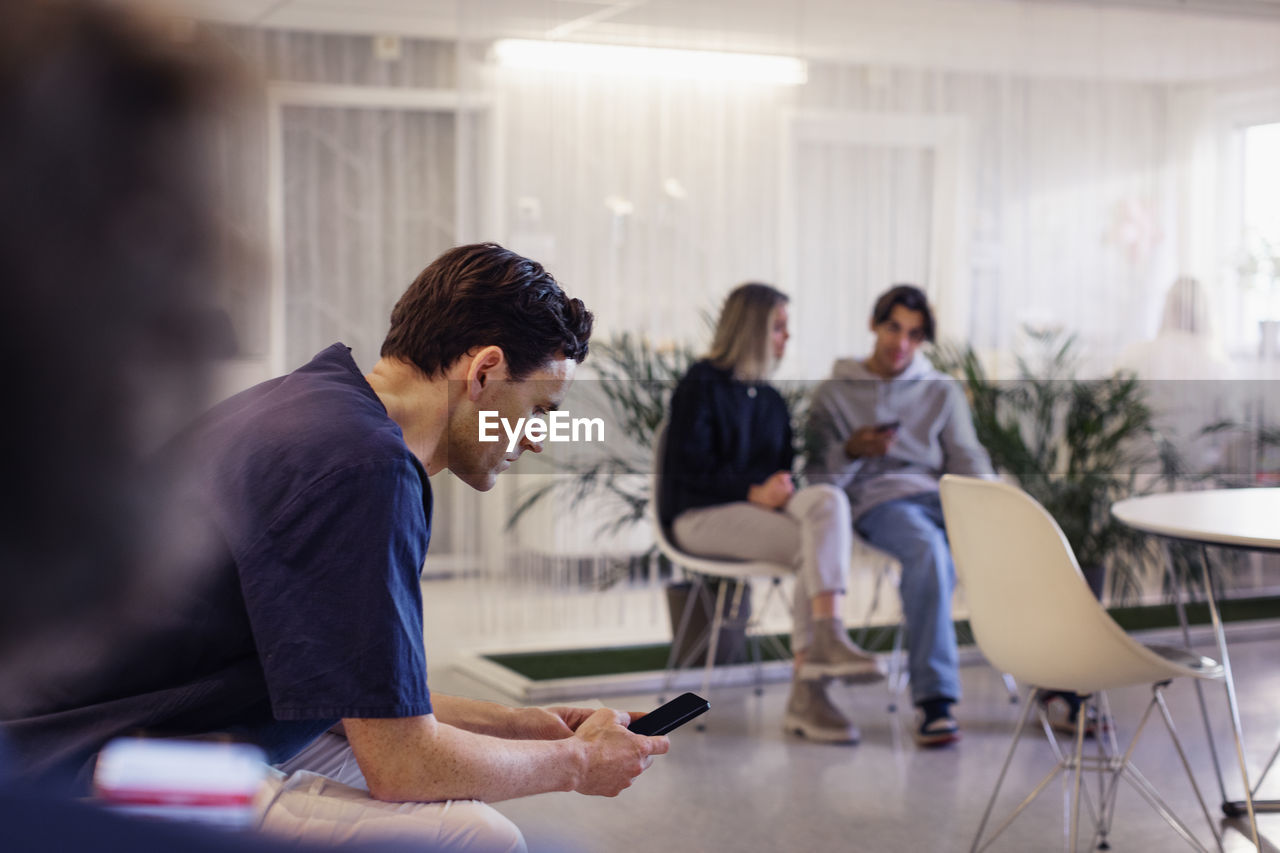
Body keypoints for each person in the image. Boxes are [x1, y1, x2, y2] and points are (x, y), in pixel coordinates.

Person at [0, 2, 423, 851]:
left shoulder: (312, 400)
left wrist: (531, 728)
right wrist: (573, 763)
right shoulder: (357, 457)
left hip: (156, 738)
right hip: (107, 762)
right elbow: (400, 757)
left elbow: (377, 705)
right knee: (480, 837)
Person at [659, 282, 886, 745]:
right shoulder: (700, 385)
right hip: (699, 515)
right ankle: (810, 694)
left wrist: (778, 489)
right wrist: (750, 490)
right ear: (751, 329)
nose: (787, 337)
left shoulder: (771, 401)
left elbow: (780, 472)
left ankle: (827, 636)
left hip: (758, 512)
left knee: (829, 501)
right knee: (812, 546)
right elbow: (686, 470)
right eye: (779, 327)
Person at [805, 284, 994, 747]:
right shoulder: (834, 394)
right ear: (874, 325)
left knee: (1019, 543)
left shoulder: (940, 391)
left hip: (940, 497)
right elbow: (816, 480)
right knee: (929, 551)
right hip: (877, 503)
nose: (901, 343)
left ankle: (1059, 684)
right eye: (893, 328)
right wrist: (852, 451)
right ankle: (936, 703)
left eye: (914, 334)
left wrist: (997, 509)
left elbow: (968, 459)